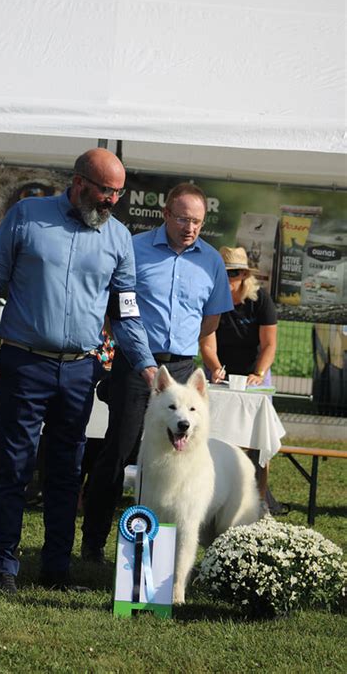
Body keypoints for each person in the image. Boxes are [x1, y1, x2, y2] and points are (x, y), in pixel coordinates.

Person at [0, 148, 157, 594]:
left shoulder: (119, 239)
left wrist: (147, 367)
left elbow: (126, 314)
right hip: (24, 361)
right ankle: (4, 566)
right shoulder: (27, 216)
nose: (112, 201)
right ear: (79, 182)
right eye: (105, 191)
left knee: (67, 471)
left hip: (79, 371)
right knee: (14, 464)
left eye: (118, 193)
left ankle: (56, 569)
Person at [81, 182, 233, 562]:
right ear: (165, 214)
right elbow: (114, 309)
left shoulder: (211, 260)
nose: (190, 227)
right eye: (183, 219)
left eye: (197, 221)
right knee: (119, 450)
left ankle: (162, 551)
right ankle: (93, 544)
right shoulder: (134, 249)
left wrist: (203, 359)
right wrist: (138, 354)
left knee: (178, 459)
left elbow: (210, 322)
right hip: (135, 364)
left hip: (181, 367)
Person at [199, 245, 282, 512]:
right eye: (225, 273)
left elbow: (269, 344)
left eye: (235, 273)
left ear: (245, 275)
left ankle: (259, 498)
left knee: (257, 439)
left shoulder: (261, 300)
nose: (230, 278)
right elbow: (207, 345)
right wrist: (215, 368)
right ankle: (212, 493)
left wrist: (258, 374)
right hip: (221, 375)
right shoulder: (212, 299)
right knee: (214, 433)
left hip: (254, 374)